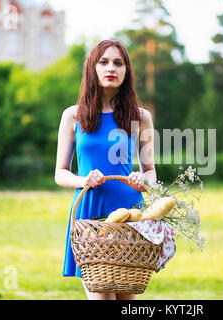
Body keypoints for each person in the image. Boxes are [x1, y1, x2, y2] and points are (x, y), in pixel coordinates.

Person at [54, 38, 157, 300]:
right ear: (93, 68)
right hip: (89, 214)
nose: (111, 68)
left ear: (126, 71)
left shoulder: (140, 117)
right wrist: (83, 179)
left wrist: (141, 180)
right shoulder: (73, 115)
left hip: (129, 214)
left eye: (118, 63)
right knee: (100, 296)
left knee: (127, 299)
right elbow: (60, 173)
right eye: (104, 62)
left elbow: (150, 171)